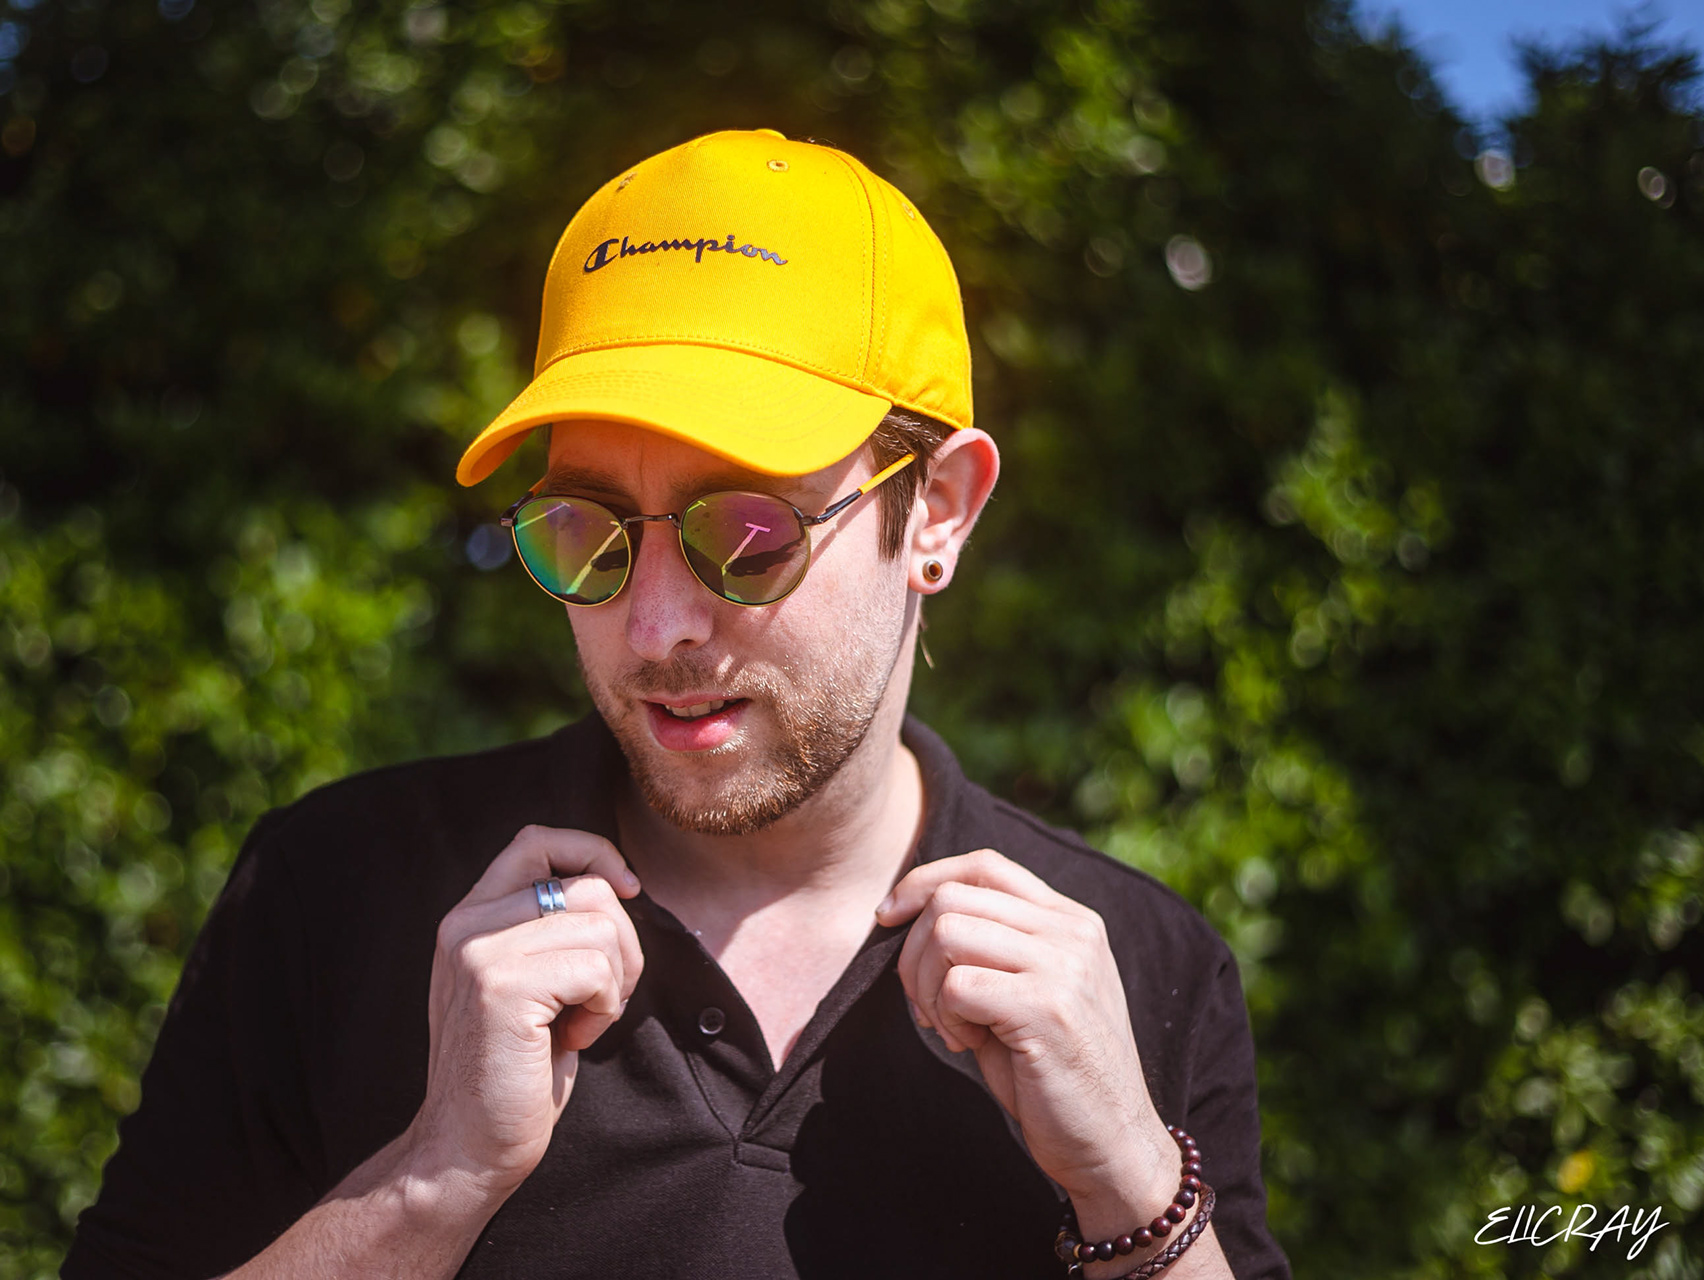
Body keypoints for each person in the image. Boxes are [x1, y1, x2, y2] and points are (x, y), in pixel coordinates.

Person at [64, 129, 1289, 1280]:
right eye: (585, 530)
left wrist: (1131, 1184)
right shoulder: (337, 891)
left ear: (941, 512)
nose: (654, 629)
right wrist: (434, 1178)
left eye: (748, 532)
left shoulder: (1137, 966)